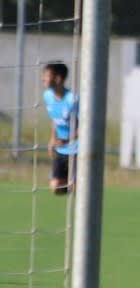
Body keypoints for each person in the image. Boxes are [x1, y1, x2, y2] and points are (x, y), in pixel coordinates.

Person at [42, 62, 79, 195]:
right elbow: (55, 120)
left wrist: (68, 139)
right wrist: (52, 140)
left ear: (58, 78)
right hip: (61, 149)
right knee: (55, 188)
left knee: (76, 189)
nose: (43, 79)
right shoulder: (47, 96)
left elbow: (85, 127)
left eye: (46, 75)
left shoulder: (73, 99)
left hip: (76, 148)